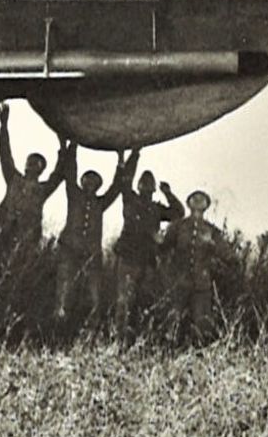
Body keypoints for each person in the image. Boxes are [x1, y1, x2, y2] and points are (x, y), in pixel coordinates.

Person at [54, 144, 127, 324]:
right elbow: (70, 173)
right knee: (63, 291)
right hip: (69, 250)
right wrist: (71, 147)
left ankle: (90, 329)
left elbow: (116, 187)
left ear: (98, 186)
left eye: (94, 182)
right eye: (87, 180)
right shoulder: (74, 195)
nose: (90, 184)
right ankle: (58, 327)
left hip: (91, 254)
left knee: (94, 295)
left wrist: (121, 161)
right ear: (82, 182)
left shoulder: (100, 204)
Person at [113, 151, 183, 329]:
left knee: (143, 299)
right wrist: (133, 156)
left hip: (147, 261)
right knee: (124, 300)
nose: (146, 187)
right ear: (139, 187)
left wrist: (168, 193)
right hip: (128, 258)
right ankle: (120, 338)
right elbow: (124, 179)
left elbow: (178, 213)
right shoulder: (130, 199)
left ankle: (137, 335)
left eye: (149, 184)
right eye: (144, 183)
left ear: (152, 189)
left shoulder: (156, 209)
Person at [0, 103, 69, 245]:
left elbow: (59, 174)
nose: (30, 165)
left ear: (40, 170)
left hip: (27, 242)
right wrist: (3, 126)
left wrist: (63, 148)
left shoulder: (42, 189)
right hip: (4, 235)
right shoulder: (13, 178)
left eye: (35, 163)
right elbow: (4, 154)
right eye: (29, 161)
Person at [163, 188, 226, 338]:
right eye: (194, 198)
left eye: (202, 199)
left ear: (207, 205)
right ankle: (169, 352)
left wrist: (215, 247)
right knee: (174, 319)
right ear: (189, 203)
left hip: (201, 284)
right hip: (180, 281)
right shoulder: (178, 227)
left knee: (203, 322)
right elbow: (164, 247)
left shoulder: (212, 231)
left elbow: (226, 253)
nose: (198, 201)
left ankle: (202, 353)